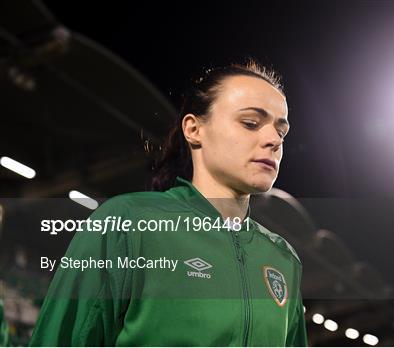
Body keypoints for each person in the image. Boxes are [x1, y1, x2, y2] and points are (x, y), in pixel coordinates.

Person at [29, 60, 308, 346]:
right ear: (193, 129)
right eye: (250, 123)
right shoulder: (127, 222)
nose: (273, 139)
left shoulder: (283, 259)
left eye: (281, 131)